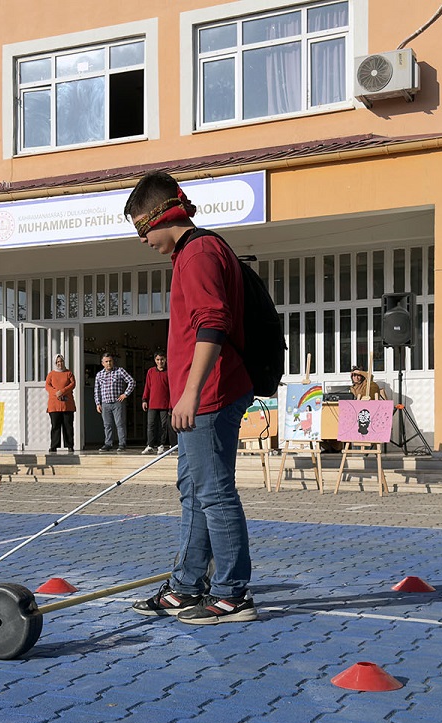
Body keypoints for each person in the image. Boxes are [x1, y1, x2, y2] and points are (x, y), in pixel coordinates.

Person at [123, 170, 257, 625]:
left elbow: (212, 325)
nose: (142, 239)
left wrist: (190, 394)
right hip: (202, 397)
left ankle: (232, 594)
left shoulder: (198, 252)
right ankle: (185, 586)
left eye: (143, 228)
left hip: (210, 396)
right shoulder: (194, 253)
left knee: (214, 493)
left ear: (166, 214)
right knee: (195, 491)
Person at [93, 353, 135, 452]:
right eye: (106, 361)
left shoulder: (119, 371)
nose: (109, 363)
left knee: (119, 424)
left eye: (110, 361)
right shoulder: (99, 375)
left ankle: (122, 444)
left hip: (117, 402)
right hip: (105, 403)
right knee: (107, 425)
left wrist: (125, 394)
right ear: (102, 363)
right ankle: (108, 443)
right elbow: (96, 390)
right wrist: (98, 403)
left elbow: (132, 381)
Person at [141, 351, 172, 454]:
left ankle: (161, 445)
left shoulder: (169, 372)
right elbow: (147, 386)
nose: (160, 362)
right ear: (155, 360)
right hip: (152, 403)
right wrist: (144, 399)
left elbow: (171, 389)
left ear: (165, 359)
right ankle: (150, 445)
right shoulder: (151, 371)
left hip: (164, 404)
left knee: (163, 425)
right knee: (151, 424)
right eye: (158, 360)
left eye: (162, 359)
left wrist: (171, 404)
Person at [45, 354, 76, 454]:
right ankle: (54, 445)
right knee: (55, 426)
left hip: (67, 404)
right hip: (54, 405)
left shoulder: (69, 373)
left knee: (68, 426)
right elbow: (47, 386)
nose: (60, 364)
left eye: (61, 361)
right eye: (58, 362)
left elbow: (72, 384)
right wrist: (56, 392)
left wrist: (62, 391)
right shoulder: (51, 374)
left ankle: (70, 445)